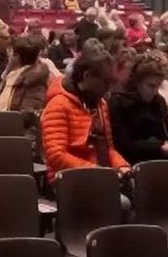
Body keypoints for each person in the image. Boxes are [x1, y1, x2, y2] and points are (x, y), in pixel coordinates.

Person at [39, 50, 129, 182]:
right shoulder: (58, 105)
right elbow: (56, 156)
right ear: (87, 76)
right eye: (105, 83)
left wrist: (121, 166)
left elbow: (108, 149)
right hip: (68, 180)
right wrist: (94, 170)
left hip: (101, 176)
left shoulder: (101, 105)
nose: (109, 89)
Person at [109, 56, 168, 164]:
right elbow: (123, 144)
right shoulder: (118, 103)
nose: (155, 91)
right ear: (137, 83)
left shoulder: (158, 101)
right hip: (131, 160)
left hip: (159, 155)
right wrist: (158, 147)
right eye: (151, 86)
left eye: (158, 86)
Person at [0, 34, 52, 128]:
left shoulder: (35, 80)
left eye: (10, 51)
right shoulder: (12, 75)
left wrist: (1, 121)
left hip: (22, 131)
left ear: (16, 56)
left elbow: (29, 114)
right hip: (4, 124)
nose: (8, 53)